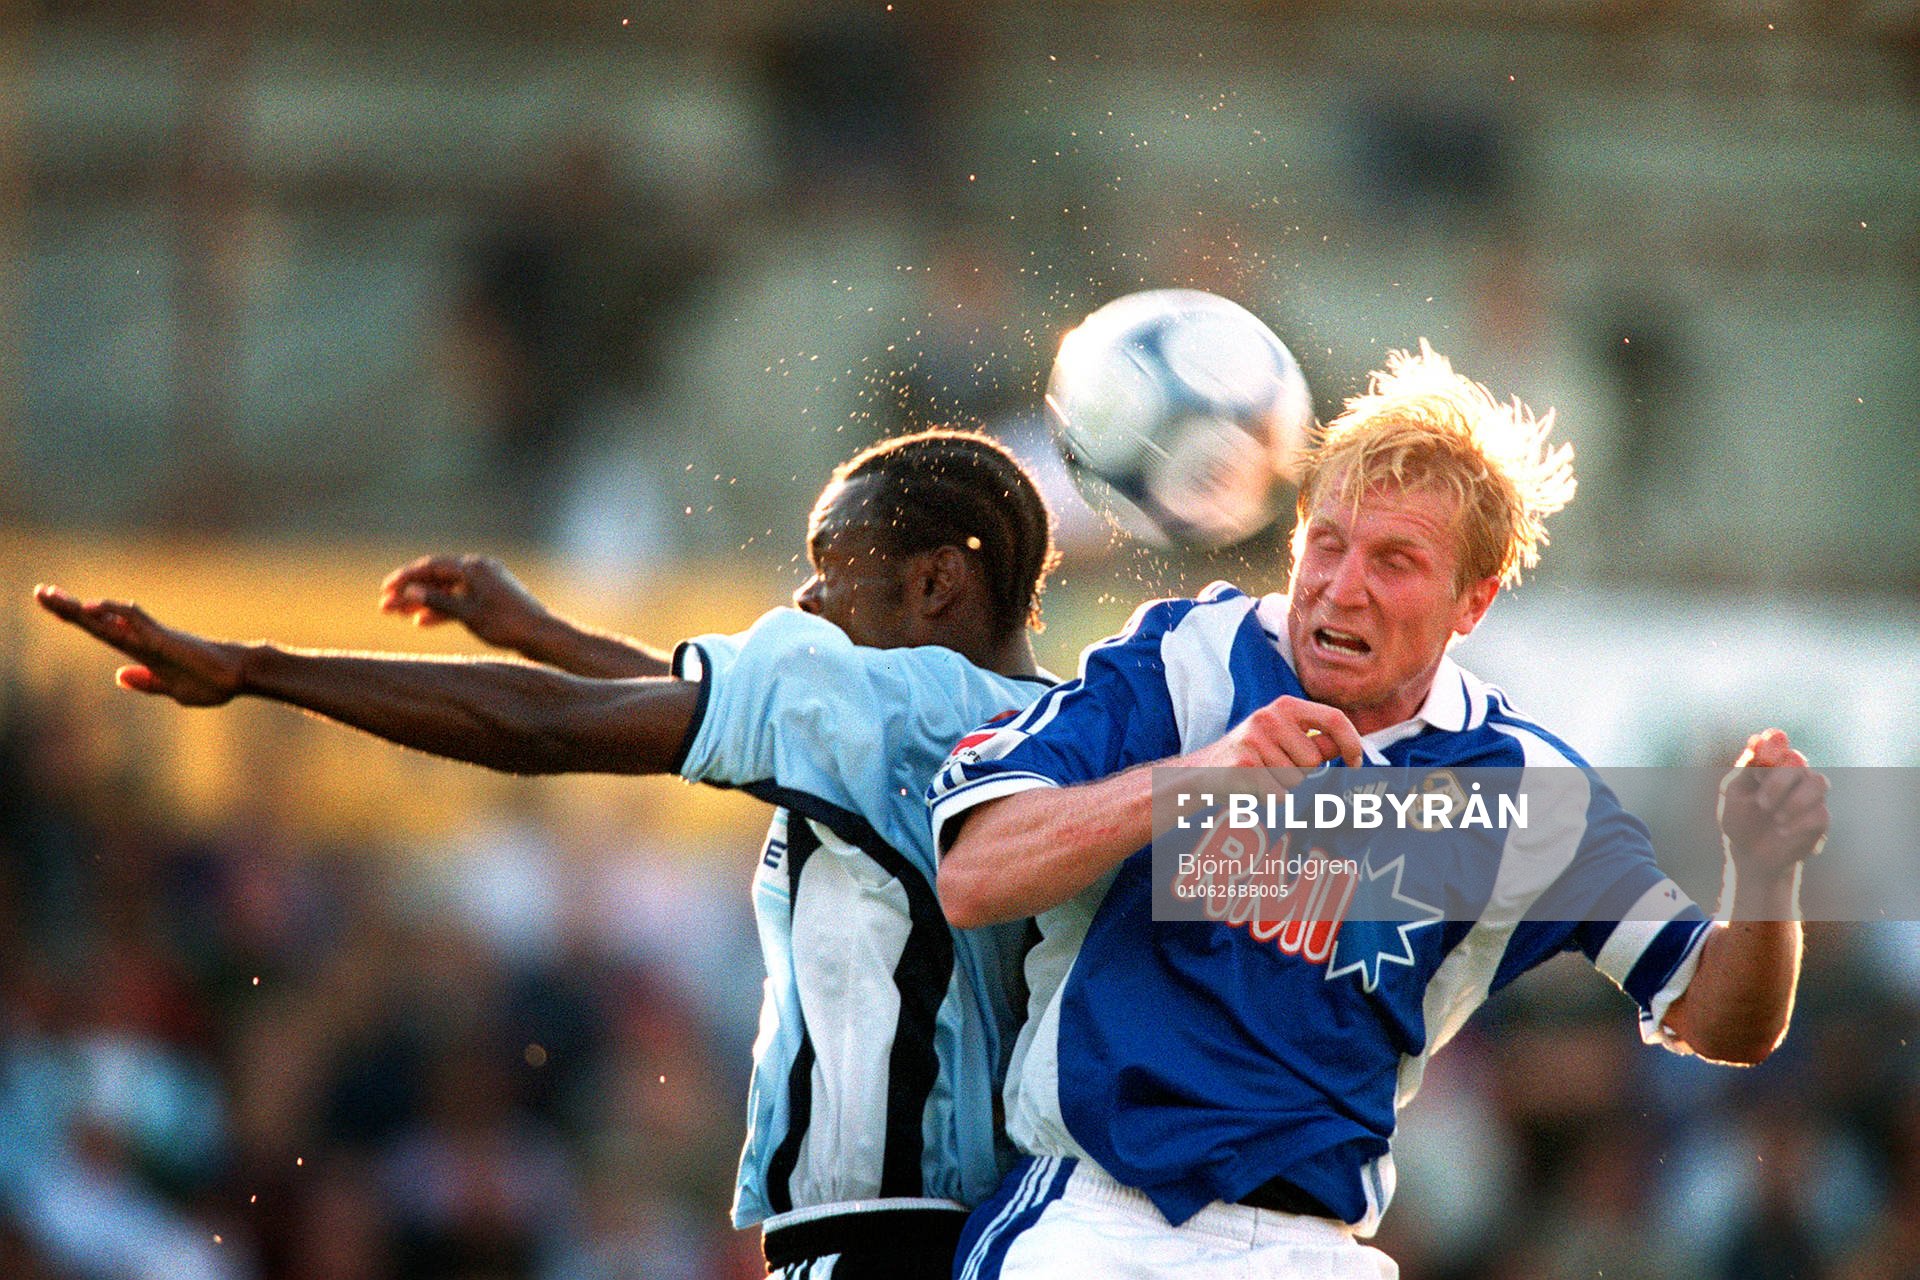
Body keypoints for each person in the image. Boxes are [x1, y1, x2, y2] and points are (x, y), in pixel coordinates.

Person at [36, 428, 1061, 1279]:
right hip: (1003, 1233)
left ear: (936, 582)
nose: (803, 600)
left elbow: (550, 731)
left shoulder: (881, 702)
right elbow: (695, 716)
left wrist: (256, 669)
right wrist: (539, 633)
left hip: (884, 1241)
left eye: (831, 562)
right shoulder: (1054, 728)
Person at [929, 343, 1828, 1280]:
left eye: (1394, 560)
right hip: (1091, 1226)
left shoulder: (1518, 786)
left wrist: (1767, 875)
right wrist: (1202, 778)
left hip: (1314, 1250)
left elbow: (1727, 1022)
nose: (1341, 585)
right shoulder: (1182, 665)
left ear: (1471, 602)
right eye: (1327, 542)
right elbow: (976, 874)